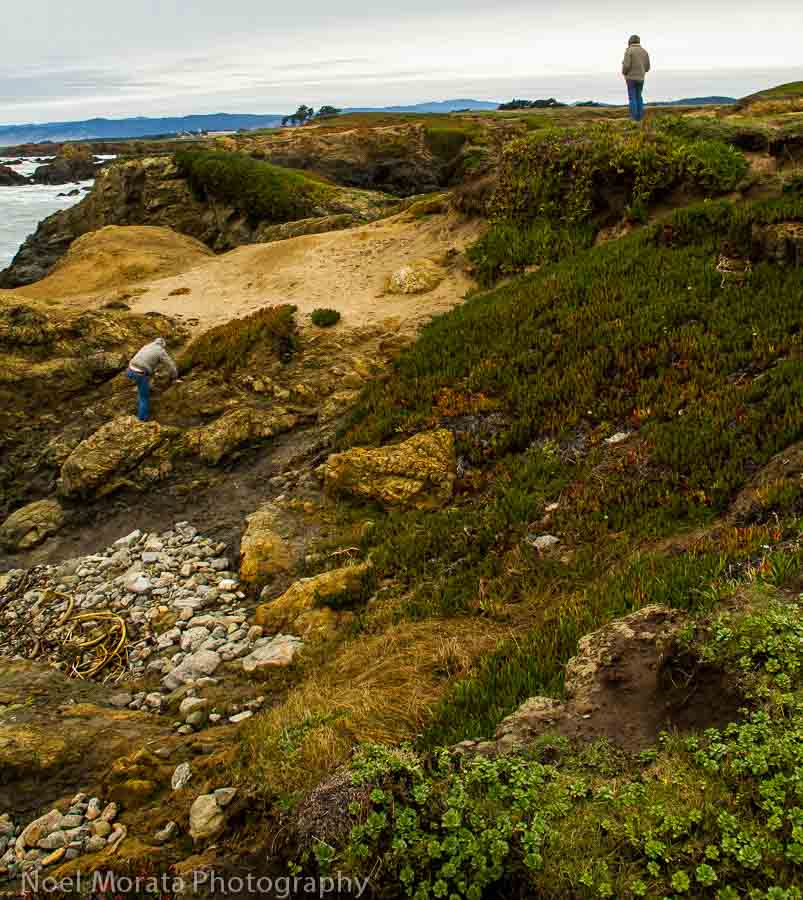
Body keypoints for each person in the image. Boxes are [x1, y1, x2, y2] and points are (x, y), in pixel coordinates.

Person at [126, 337, 178, 422]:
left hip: (129, 370)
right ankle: (142, 420)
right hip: (139, 374)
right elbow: (170, 365)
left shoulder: (147, 346)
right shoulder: (160, 351)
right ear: (163, 345)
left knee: (146, 378)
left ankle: (140, 388)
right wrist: (175, 376)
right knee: (144, 397)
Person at [622, 35, 651, 124]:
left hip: (631, 78)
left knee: (632, 98)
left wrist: (624, 72)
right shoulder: (644, 52)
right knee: (639, 97)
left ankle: (634, 119)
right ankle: (640, 118)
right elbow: (647, 67)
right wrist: (642, 72)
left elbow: (626, 65)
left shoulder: (629, 51)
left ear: (630, 42)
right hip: (641, 78)